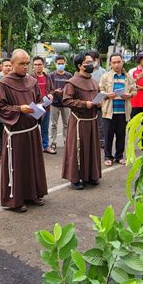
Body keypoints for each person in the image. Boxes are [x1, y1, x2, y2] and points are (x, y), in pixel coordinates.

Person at [0, 49, 48, 212]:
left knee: (32, 164)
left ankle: (33, 194)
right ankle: (16, 200)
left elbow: (39, 100)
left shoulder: (32, 81)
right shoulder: (3, 84)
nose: (25, 67)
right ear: (12, 64)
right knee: (17, 166)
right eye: (22, 64)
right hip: (16, 134)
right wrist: (19, 109)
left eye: (27, 64)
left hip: (31, 130)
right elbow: (0, 108)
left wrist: (41, 106)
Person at [62, 52, 102, 190]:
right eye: (87, 62)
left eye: (92, 62)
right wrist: (85, 104)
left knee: (91, 148)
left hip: (92, 120)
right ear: (80, 65)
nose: (91, 64)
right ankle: (75, 178)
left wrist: (100, 103)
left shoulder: (95, 82)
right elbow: (67, 100)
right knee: (77, 148)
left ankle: (91, 175)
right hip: (79, 121)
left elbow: (98, 98)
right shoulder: (71, 83)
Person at [99, 53, 137, 166]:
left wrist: (129, 95)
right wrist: (107, 95)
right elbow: (100, 90)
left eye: (118, 62)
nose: (116, 64)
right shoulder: (105, 76)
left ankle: (119, 156)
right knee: (108, 136)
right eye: (114, 62)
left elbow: (134, 90)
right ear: (110, 64)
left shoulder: (128, 77)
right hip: (109, 112)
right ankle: (107, 156)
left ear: (122, 62)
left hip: (123, 112)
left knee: (121, 135)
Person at [48, 55, 71, 153]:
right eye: (59, 64)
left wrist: (65, 92)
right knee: (53, 124)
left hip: (66, 104)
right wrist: (54, 91)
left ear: (65, 64)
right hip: (54, 104)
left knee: (67, 124)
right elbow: (48, 89)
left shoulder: (69, 76)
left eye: (62, 63)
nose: (61, 65)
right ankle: (53, 142)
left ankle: (67, 141)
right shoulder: (51, 75)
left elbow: (71, 88)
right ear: (55, 64)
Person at [31, 56, 54, 153]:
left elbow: (52, 90)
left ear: (43, 65)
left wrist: (51, 95)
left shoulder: (47, 77)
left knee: (45, 128)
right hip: (35, 107)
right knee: (33, 129)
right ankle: (34, 148)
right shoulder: (30, 78)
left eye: (39, 64)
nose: (37, 66)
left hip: (46, 107)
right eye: (35, 64)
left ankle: (45, 146)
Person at [89, 50, 106, 148]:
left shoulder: (103, 72)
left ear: (97, 59)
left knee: (100, 123)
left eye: (93, 60)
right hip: (88, 101)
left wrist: (102, 100)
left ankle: (101, 141)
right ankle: (90, 140)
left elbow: (106, 88)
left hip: (99, 101)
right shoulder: (86, 71)